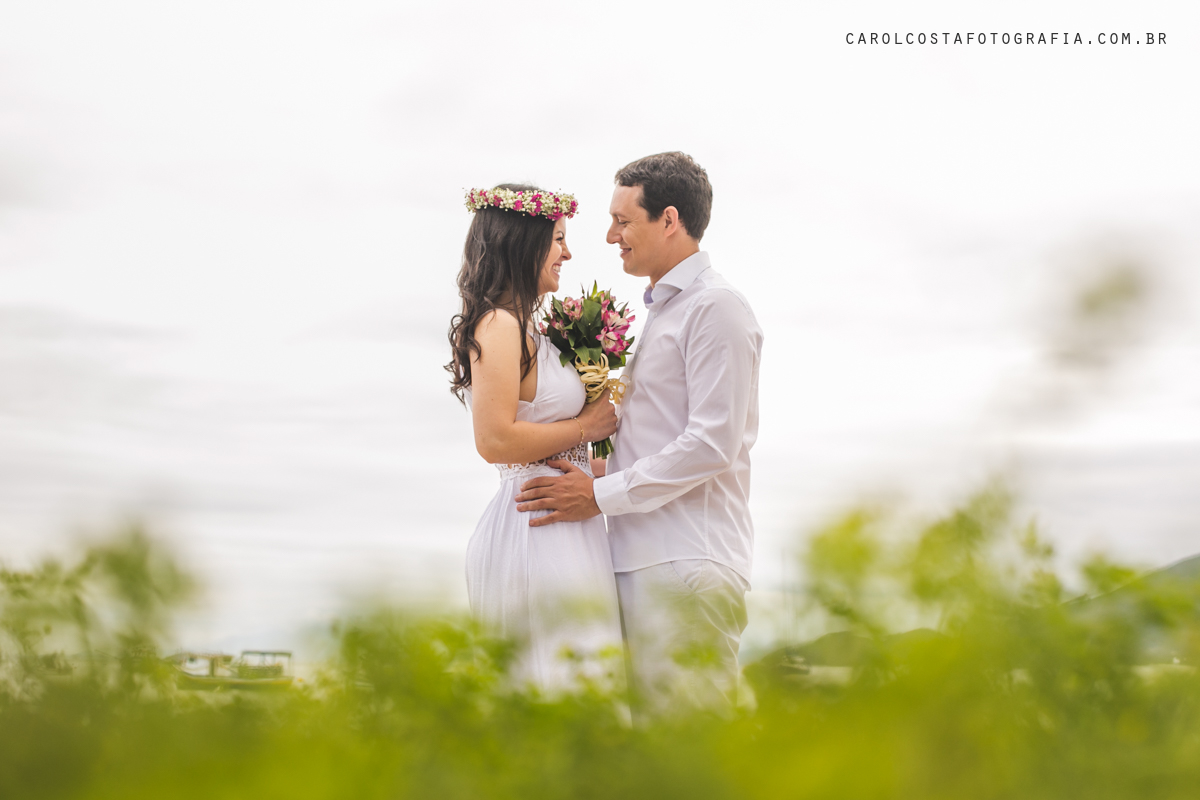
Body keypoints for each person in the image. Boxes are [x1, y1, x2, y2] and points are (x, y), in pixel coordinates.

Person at [514, 153, 763, 712]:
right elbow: (656, 443)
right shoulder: (666, 312)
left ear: (669, 220)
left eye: (623, 221)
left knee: (692, 750)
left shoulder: (716, 309)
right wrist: (582, 469)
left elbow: (711, 445)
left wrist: (596, 495)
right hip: (640, 559)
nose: (610, 236)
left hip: (685, 563)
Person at [448, 184, 623, 690]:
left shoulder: (535, 331)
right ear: (523, 242)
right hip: (534, 523)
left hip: (568, 516)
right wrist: (587, 427)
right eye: (558, 240)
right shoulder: (499, 323)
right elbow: (495, 440)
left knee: (584, 671)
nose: (567, 253)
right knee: (553, 679)